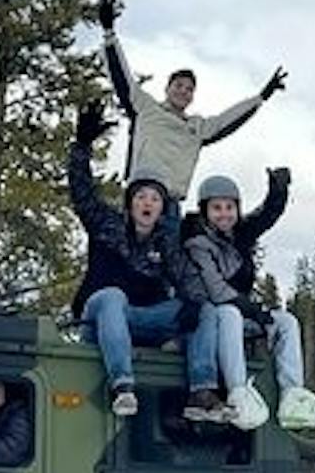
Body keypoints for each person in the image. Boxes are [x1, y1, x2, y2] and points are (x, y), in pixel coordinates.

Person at [64, 103, 223, 421]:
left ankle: (201, 391)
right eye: (141, 197)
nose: (147, 203)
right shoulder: (107, 224)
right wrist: (81, 147)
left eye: (154, 198)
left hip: (142, 320)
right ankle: (122, 385)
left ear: (161, 207)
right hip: (100, 317)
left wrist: (194, 302)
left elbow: (187, 276)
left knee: (204, 309)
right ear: (131, 203)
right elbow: (82, 192)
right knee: (113, 296)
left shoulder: (166, 241)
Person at [97, 0, 286, 202]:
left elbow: (229, 119)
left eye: (189, 89)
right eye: (178, 85)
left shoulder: (198, 128)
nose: (183, 91)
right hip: (139, 195)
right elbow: (121, 76)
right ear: (167, 88)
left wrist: (261, 97)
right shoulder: (146, 108)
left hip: (170, 202)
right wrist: (109, 32)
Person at [181, 171, 315, 431]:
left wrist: (278, 193)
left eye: (230, 207)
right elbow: (216, 290)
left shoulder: (238, 234)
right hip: (211, 318)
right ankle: (238, 391)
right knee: (229, 313)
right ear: (205, 211)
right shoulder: (197, 243)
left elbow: (264, 217)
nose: (224, 214)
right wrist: (254, 310)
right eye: (217, 208)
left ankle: (292, 394)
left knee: (286, 321)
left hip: (242, 313)